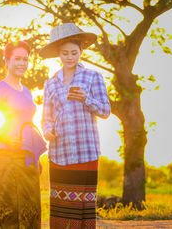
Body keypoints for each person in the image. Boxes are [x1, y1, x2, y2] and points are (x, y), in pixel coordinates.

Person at [39, 23, 111, 229]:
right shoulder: (50, 83)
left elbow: (105, 110)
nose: (69, 57)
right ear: (58, 55)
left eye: (74, 52)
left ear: (81, 52)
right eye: (64, 53)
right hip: (59, 153)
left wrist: (86, 99)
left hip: (85, 152)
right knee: (61, 209)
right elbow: (46, 117)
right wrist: (47, 131)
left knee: (83, 209)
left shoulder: (93, 77)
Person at [0, 41, 47, 229]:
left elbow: (27, 122)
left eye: (25, 59)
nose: (22, 63)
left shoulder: (27, 92)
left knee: (31, 205)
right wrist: (6, 139)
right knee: (8, 208)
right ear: (7, 61)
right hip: (6, 155)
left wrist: (35, 154)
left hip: (28, 157)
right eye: (17, 59)